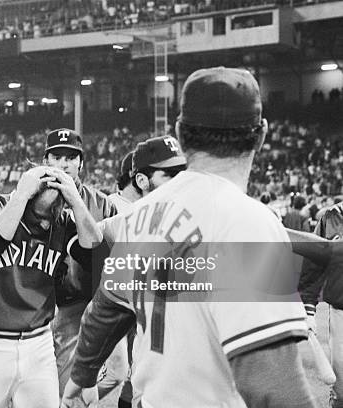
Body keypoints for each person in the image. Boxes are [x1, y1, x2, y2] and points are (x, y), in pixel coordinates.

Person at [61, 67, 317, 408]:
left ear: (181, 134)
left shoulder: (139, 215)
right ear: (262, 134)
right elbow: (271, 383)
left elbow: (105, 308)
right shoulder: (249, 222)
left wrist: (82, 374)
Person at [0, 166, 102, 408]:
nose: (46, 224)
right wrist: (21, 196)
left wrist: (77, 202)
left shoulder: (62, 220)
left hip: (39, 344)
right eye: (40, 216)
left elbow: (96, 255)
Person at [106, 136, 187, 407]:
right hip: (144, 347)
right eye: (170, 175)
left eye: (182, 173)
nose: (181, 182)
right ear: (140, 180)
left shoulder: (193, 215)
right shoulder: (120, 220)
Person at [42, 128, 119, 398]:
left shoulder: (101, 203)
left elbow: (111, 260)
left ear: (81, 162)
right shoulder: (30, 200)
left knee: (73, 394)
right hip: (33, 308)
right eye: (57, 157)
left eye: (70, 158)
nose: (64, 164)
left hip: (78, 308)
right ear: (46, 161)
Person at [299, 200, 343, 407]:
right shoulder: (331, 216)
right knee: (341, 390)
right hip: (341, 313)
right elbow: (313, 266)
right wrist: (308, 310)